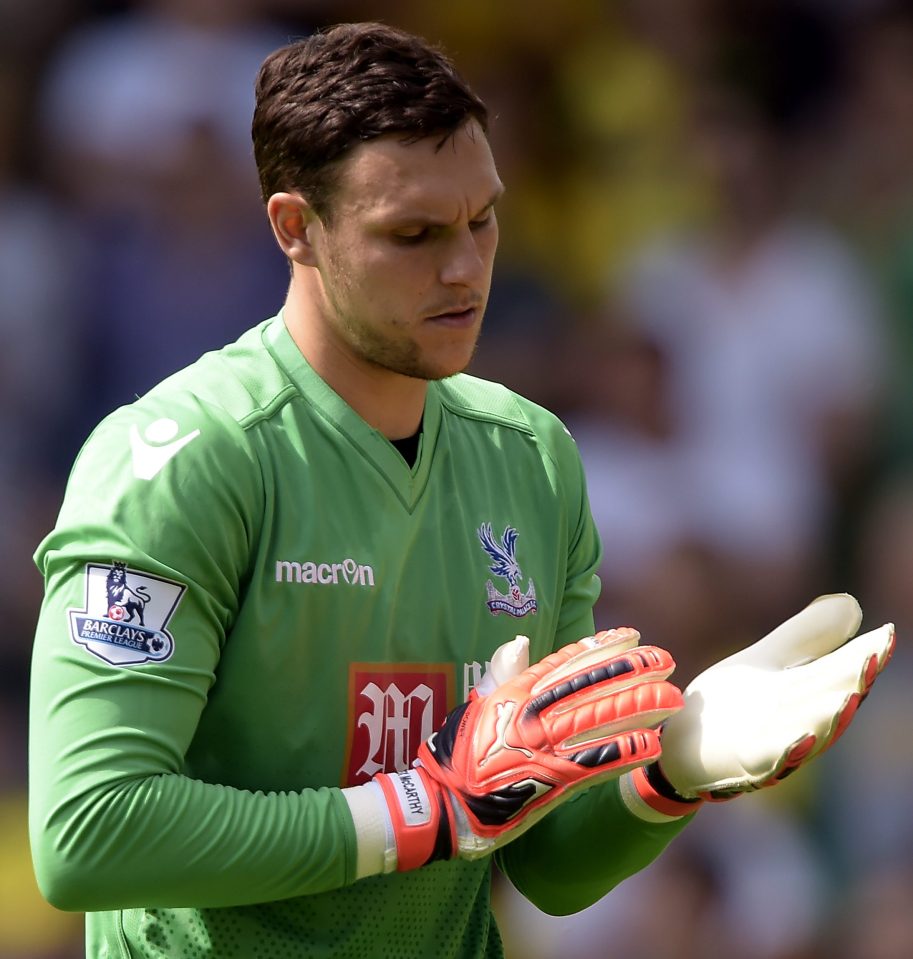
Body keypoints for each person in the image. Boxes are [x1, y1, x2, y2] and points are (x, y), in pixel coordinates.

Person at [28, 22, 894, 959]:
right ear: (295, 228)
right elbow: (87, 832)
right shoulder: (183, 460)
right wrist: (420, 807)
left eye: (482, 219)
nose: (464, 268)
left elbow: (544, 868)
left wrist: (669, 776)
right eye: (412, 233)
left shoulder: (531, 456)